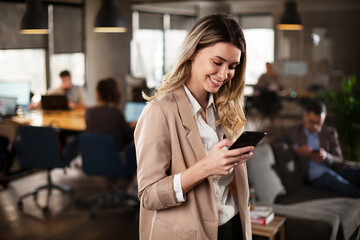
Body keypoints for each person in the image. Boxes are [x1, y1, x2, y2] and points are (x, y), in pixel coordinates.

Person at [134, 14, 254, 240]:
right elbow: (149, 196)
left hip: (233, 226)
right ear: (192, 52)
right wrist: (207, 167)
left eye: (232, 66)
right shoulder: (159, 112)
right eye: (217, 62)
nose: (224, 74)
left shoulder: (224, 109)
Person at [281, 99, 360, 197]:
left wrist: (327, 157)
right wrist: (297, 149)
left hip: (334, 171)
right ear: (304, 116)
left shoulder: (330, 133)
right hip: (315, 178)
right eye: (312, 122)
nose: (315, 126)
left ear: (324, 117)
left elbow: (340, 160)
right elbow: (275, 144)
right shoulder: (293, 132)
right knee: (330, 178)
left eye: (319, 123)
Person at [85, 77, 136, 193]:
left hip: (94, 159)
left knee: (106, 149)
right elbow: (128, 137)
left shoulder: (89, 112)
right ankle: (129, 188)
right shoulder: (116, 113)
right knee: (134, 148)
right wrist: (132, 126)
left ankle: (108, 186)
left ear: (98, 94)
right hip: (116, 159)